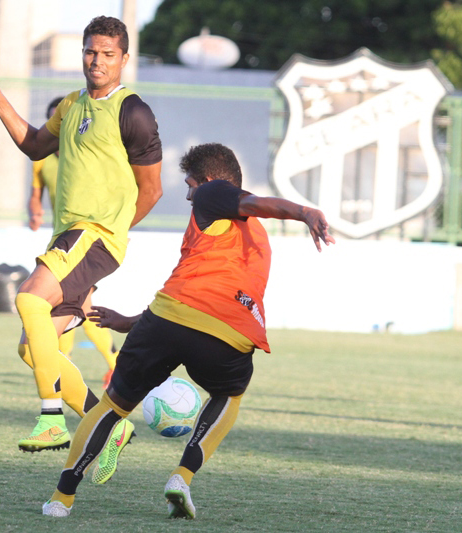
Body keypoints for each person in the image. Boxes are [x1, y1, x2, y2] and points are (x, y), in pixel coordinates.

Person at [41, 143, 335, 518]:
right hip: (225, 334)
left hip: (168, 321)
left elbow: (258, 203)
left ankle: (61, 499)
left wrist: (304, 212)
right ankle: (181, 477)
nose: (188, 193)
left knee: (113, 407)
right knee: (229, 396)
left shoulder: (212, 195)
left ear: (211, 181)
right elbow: (196, 287)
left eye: (190, 184)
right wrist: (129, 321)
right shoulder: (250, 236)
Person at [0, 15, 163, 485]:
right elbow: (35, 146)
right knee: (30, 348)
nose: (97, 61)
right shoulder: (72, 106)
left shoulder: (132, 111)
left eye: (107, 54)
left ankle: (52, 417)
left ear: (123, 59)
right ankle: (109, 424)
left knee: (29, 298)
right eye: (90, 51)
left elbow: (153, 189)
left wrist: (111, 232)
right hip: (70, 239)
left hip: (93, 236)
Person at [28, 97, 120, 390]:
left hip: (87, 239)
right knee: (74, 304)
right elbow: (36, 191)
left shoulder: (84, 155)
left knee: (71, 303)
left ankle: (108, 366)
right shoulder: (42, 159)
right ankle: (91, 365)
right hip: (61, 238)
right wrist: (35, 210)